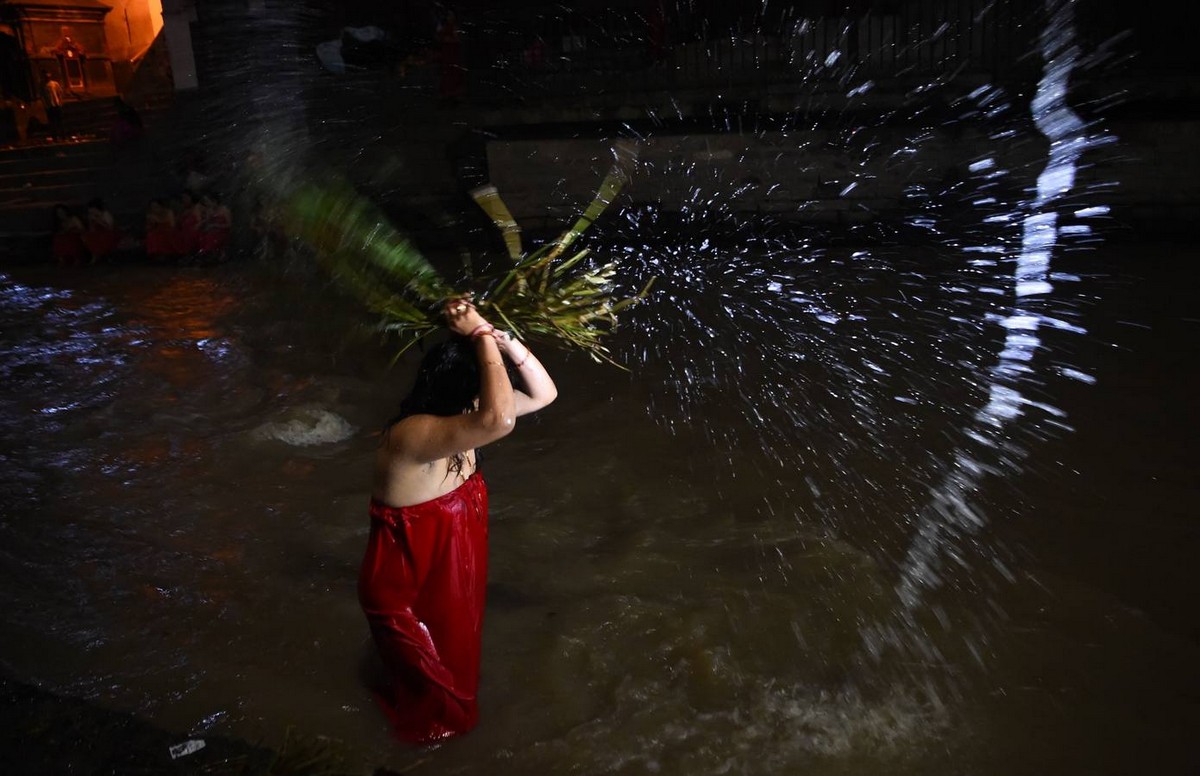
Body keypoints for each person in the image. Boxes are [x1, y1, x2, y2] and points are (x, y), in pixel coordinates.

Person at [358, 298, 557, 744]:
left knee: (437, 688)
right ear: (469, 391)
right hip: (405, 589)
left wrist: (499, 337)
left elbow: (545, 395)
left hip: (445, 579)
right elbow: (500, 416)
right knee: (441, 714)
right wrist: (480, 335)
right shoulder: (416, 435)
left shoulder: (465, 421)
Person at [82, 197, 120, 263]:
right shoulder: (91, 216)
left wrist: (98, 220)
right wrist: (91, 221)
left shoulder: (105, 214)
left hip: (108, 234)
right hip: (97, 234)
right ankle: (95, 256)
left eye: (92, 208)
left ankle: (106, 255)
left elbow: (110, 227)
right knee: (88, 237)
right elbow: (91, 229)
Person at [40, 71, 65, 141]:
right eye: (46, 76)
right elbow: (42, 96)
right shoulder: (42, 85)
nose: (47, 77)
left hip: (56, 104)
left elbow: (59, 93)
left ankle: (63, 135)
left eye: (48, 76)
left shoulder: (55, 83)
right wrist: (45, 105)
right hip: (49, 106)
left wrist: (60, 102)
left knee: (59, 120)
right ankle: (55, 136)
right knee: (52, 122)